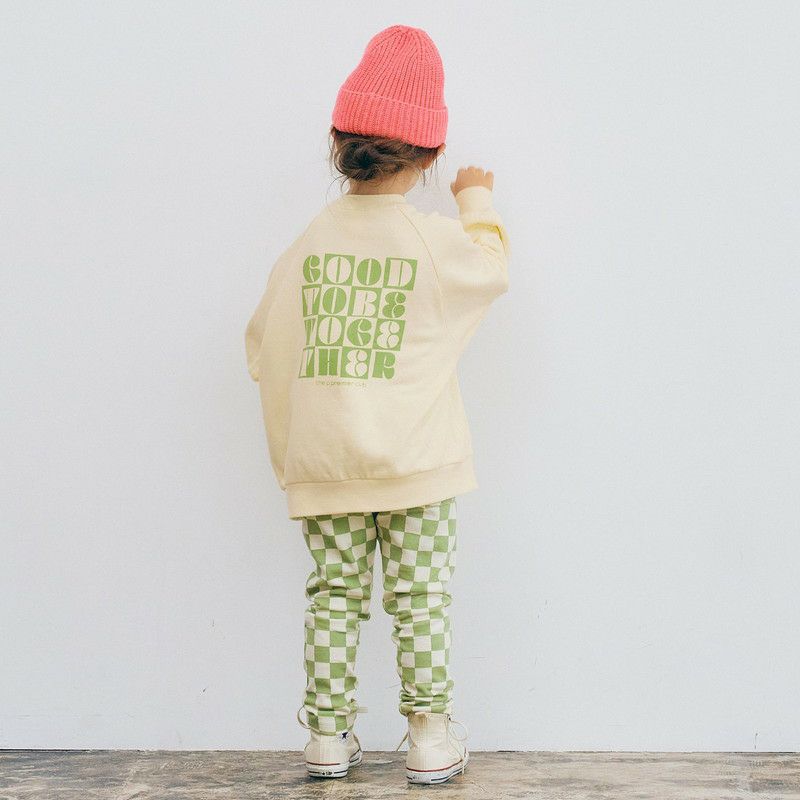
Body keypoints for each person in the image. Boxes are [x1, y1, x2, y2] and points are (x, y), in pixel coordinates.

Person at [245, 24, 510, 785]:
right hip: (419, 463)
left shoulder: (310, 241)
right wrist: (476, 197)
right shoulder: (428, 239)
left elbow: (263, 343)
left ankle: (327, 738)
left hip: (327, 462)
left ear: (339, 143)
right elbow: (490, 270)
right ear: (431, 153)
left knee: (334, 596)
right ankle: (428, 738)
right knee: (419, 597)